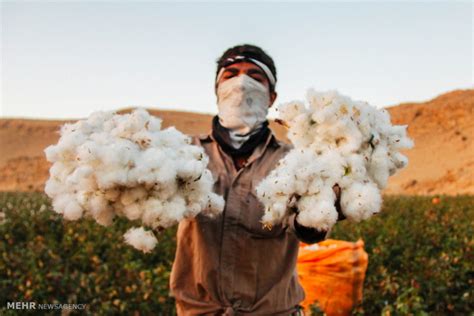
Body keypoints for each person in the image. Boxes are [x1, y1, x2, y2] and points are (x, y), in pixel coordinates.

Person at [170, 44, 343, 315]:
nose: (241, 83)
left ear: (271, 96)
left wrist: (320, 212)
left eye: (255, 76)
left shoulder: (295, 162)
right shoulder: (183, 154)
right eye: (230, 74)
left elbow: (308, 232)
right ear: (217, 90)